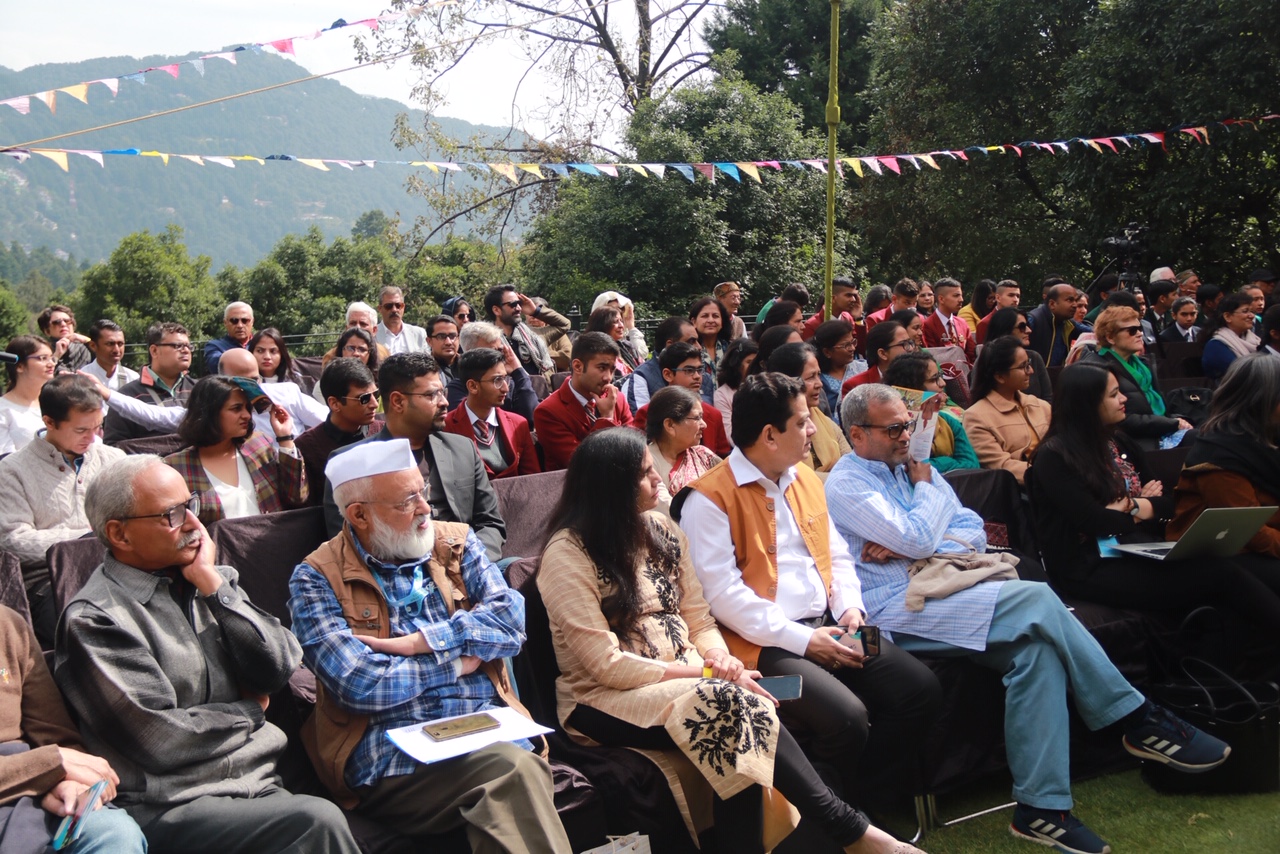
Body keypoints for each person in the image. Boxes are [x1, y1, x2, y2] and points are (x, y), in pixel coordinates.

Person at [830, 382, 1232, 854]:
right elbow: (920, 538)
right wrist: (922, 511)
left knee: (1037, 653)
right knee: (1038, 599)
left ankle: (1042, 810)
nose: (906, 434)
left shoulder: (910, 470)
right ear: (857, 434)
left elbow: (972, 529)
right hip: (893, 610)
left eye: (907, 423)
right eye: (894, 427)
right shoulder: (848, 483)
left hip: (947, 588)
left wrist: (919, 530)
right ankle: (1138, 718)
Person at [540, 428, 922, 854]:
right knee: (731, 704)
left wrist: (721, 659)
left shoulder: (660, 530)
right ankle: (848, 829)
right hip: (605, 698)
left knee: (736, 719)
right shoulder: (568, 554)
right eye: (646, 475)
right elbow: (605, 665)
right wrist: (711, 672)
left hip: (696, 679)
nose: (659, 481)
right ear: (611, 487)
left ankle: (823, 834)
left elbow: (700, 619)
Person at [56, 455, 360, 854]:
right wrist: (250, 711)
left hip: (260, 784)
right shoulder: (96, 620)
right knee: (315, 823)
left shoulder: (209, 581)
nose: (193, 524)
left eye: (191, 505)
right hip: (172, 803)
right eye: (172, 514)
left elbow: (281, 666)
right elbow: (159, 739)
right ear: (120, 534)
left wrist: (215, 587)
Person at [680, 373, 943, 814]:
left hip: (832, 625)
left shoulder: (804, 478)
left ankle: (863, 806)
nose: (814, 431)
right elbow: (722, 596)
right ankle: (831, 821)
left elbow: (836, 556)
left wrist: (851, 611)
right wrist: (806, 642)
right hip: (761, 650)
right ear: (769, 435)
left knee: (920, 688)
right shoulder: (707, 499)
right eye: (802, 423)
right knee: (846, 717)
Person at [289, 439, 570, 852]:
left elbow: (511, 622)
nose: (426, 508)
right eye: (407, 500)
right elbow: (361, 685)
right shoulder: (315, 578)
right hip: (392, 757)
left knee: (511, 767)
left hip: (487, 728)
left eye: (423, 491)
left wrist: (425, 642)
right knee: (510, 771)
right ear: (359, 514)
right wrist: (458, 663)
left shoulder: (454, 542)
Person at [1028, 364, 1280, 631]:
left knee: (1221, 565)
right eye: (1114, 394)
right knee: (1221, 574)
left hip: (1139, 547)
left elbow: (1170, 504)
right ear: (1086, 402)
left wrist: (1130, 506)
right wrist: (1140, 509)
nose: (1124, 399)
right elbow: (1095, 522)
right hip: (1089, 567)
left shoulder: (1120, 443)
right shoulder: (1053, 457)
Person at [321, 353, 507, 561]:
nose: (444, 402)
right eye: (431, 395)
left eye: (442, 392)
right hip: (398, 582)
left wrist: (468, 562)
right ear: (398, 401)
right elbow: (347, 544)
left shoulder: (462, 449)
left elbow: (490, 523)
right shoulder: (350, 465)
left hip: (468, 565)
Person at [0, 595, 147, 852]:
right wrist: (47, 767)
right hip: (24, 777)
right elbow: (55, 759)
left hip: (29, 795)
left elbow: (57, 736)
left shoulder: (7, 625)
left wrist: (68, 782)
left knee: (114, 833)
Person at [0, 375, 125, 647]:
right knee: (90, 626)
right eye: (82, 431)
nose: (92, 438)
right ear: (49, 422)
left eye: (98, 427)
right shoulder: (12, 471)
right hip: (50, 582)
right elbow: (13, 540)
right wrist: (86, 538)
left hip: (119, 570)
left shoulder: (113, 459)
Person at [1168, 354, 1280, 563]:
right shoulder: (1220, 455)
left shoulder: (1271, 435)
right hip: (1224, 555)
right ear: (1261, 400)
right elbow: (1249, 531)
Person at [163, 376, 307, 524]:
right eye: (236, 408)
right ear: (209, 413)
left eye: (247, 408)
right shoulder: (175, 467)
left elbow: (297, 497)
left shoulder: (259, 445)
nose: (246, 415)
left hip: (273, 542)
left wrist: (285, 439)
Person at [1078, 307, 1192, 450]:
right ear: (1110, 337)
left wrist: (1175, 421)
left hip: (1158, 431)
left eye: (1139, 328)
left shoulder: (1142, 365)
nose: (1139, 334)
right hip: (1131, 443)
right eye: (1132, 331)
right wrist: (1172, 423)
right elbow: (1119, 420)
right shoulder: (1099, 369)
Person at [535, 332, 635, 471]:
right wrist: (606, 418)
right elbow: (583, 464)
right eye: (602, 368)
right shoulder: (548, 412)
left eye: (612, 370)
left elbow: (635, 449)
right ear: (577, 367)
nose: (608, 378)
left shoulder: (617, 399)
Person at [962, 336, 1052, 485]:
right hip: (1027, 491)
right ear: (1000, 376)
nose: (1031, 371)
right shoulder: (976, 417)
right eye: (1023, 366)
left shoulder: (1039, 405)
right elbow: (1001, 466)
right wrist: (1052, 473)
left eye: (1028, 363)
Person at [295, 358, 384, 506]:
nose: (374, 404)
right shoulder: (306, 447)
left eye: (376, 394)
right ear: (334, 403)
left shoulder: (385, 433)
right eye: (364, 398)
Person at [442, 347, 540, 480]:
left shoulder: (518, 424)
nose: (505, 388)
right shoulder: (446, 427)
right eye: (497, 381)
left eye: (505, 379)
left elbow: (532, 478)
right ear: (473, 386)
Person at [880, 353, 980, 473]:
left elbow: (972, 465)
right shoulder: (889, 428)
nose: (943, 383)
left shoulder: (947, 421)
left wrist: (937, 463)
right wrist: (952, 462)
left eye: (940, 376)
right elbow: (900, 468)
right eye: (934, 379)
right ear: (913, 387)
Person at [103, 322, 197, 445]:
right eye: (178, 345)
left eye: (188, 346)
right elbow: (114, 446)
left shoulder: (199, 390)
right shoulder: (127, 396)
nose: (185, 351)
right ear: (154, 351)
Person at [631, 342, 731, 457]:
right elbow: (640, 456)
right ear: (668, 374)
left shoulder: (714, 415)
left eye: (699, 370)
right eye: (689, 370)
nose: (697, 376)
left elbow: (722, 460)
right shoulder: (648, 412)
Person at [768, 343, 851, 475]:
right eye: (811, 377)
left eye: (818, 375)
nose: (819, 384)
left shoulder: (825, 422)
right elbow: (792, 476)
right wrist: (835, 478)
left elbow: (850, 466)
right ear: (787, 381)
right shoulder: (775, 430)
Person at [644, 385, 722, 509]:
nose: (704, 425)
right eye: (697, 418)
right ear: (670, 425)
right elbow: (667, 509)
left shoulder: (704, 455)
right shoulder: (647, 463)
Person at [448, 321, 540, 425]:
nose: (500, 356)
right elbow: (463, 423)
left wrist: (518, 371)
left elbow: (532, 418)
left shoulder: (510, 384)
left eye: (500, 350)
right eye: (492, 351)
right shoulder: (457, 388)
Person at [622, 316, 704, 410]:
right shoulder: (641, 378)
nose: (699, 347)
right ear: (670, 345)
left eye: (698, 341)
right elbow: (638, 421)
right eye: (691, 341)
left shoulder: (703, 374)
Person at [487, 285, 560, 382]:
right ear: (496, 310)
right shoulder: (488, 341)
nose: (518, 308)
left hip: (539, 391)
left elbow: (564, 324)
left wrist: (536, 311)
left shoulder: (531, 333)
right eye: (513, 304)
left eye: (519, 303)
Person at [0, 336, 55, 454]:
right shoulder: (3, 409)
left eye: (51, 358)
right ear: (20, 366)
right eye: (43, 358)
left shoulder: (58, 402)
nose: (51, 364)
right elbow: (5, 461)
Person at [985, 308, 1052, 402]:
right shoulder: (986, 360)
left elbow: (1048, 398)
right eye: (1022, 327)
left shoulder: (1034, 357)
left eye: (1027, 365)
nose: (1029, 330)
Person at [1201, 293, 1260, 381]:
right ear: (1227, 316)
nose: (1252, 316)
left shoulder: (1255, 340)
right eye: (1245, 311)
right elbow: (1240, 374)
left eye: (1252, 311)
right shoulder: (1216, 346)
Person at [843, 321, 913, 393]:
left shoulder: (918, 378)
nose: (911, 348)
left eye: (910, 343)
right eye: (904, 344)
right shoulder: (856, 386)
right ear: (883, 354)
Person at [921, 278, 977, 364]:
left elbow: (972, 354)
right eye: (956, 296)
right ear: (941, 299)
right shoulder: (928, 325)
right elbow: (932, 357)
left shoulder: (962, 323)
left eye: (961, 295)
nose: (961, 299)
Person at [713, 337, 758, 444]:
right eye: (749, 362)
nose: (753, 367)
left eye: (756, 362)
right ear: (736, 365)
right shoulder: (722, 394)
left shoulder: (765, 387)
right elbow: (730, 435)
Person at [81, 319, 140, 399]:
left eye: (120, 344)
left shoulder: (133, 378)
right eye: (110, 344)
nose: (116, 350)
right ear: (93, 346)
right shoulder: (82, 379)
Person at [800, 278, 864, 351]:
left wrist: (859, 318)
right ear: (833, 298)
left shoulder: (848, 318)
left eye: (854, 296)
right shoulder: (812, 325)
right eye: (848, 295)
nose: (853, 300)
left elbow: (862, 347)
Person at [320, 302, 391, 367]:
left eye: (363, 324)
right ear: (346, 329)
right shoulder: (331, 357)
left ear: (374, 330)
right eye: (353, 323)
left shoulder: (383, 353)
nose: (357, 328)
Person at [813, 319, 857, 420]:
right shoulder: (819, 381)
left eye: (853, 342)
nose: (852, 348)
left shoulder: (862, 367)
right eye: (846, 345)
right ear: (827, 352)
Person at [1026, 283, 1079, 368]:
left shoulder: (1068, 323)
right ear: (1052, 304)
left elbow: (1096, 333)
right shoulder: (1033, 320)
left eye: (1076, 300)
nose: (1075, 305)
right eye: (1070, 300)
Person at [590, 291, 650, 362]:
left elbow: (641, 356)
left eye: (621, 309)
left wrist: (631, 326)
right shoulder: (591, 346)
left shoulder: (624, 344)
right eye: (612, 309)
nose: (617, 312)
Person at [250, 327, 311, 392]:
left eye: (273, 351)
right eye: (260, 351)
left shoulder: (295, 381)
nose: (267, 357)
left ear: (282, 355)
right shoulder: (246, 384)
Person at [586, 306, 643, 376]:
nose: (621, 325)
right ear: (603, 324)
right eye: (615, 322)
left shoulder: (627, 347)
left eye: (621, 321)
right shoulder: (593, 352)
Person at [37, 304, 93, 373]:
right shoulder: (42, 353)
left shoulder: (86, 347)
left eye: (67, 321)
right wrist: (56, 356)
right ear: (47, 331)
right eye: (56, 322)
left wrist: (87, 341)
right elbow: (41, 375)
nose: (63, 324)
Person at [204, 301, 254, 375]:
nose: (240, 325)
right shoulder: (215, 346)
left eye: (245, 320)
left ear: (252, 322)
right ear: (225, 322)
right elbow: (216, 365)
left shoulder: (261, 344)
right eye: (234, 321)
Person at [375, 286, 428, 355]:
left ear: (403, 307)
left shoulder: (419, 334)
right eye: (389, 306)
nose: (394, 310)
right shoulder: (372, 335)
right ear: (380, 309)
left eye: (398, 305)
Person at [526, 296, 574, 371]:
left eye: (537, 313)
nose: (534, 317)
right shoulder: (519, 332)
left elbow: (567, 357)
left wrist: (535, 353)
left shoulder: (558, 333)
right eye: (530, 313)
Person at [690, 296, 733, 372]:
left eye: (715, 316)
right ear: (694, 322)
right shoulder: (688, 349)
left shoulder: (731, 350)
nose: (710, 320)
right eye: (705, 316)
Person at [974, 280, 1021, 345]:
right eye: (1011, 295)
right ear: (998, 298)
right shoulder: (986, 323)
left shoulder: (1021, 320)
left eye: (1018, 296)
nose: (1016, 300)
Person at [425, 315, 461, 383]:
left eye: (452, 336)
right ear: (429, 341)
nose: (448, 342)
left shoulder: (470, 367)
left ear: (459, 338)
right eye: (441, 336)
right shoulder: (424, 371)